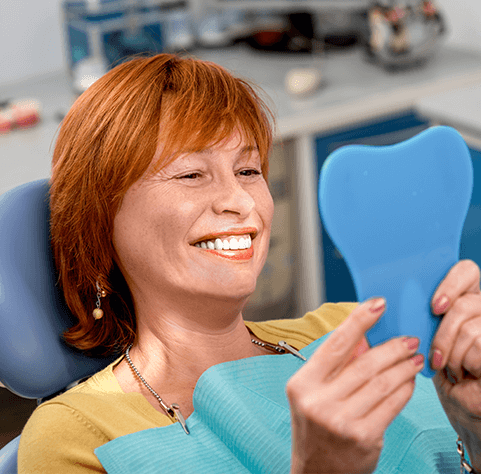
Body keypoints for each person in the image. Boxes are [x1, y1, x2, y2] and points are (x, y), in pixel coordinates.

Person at [17, 53, 481, 474]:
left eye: (248, 170)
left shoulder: (355, 332)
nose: (241, 201)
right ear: (101, 222)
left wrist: (472, 423)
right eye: (191, 174)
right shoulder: (76, 437)